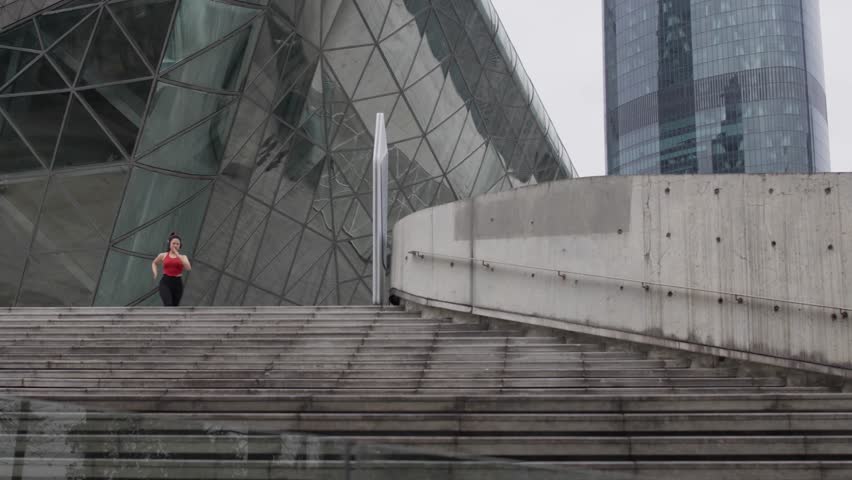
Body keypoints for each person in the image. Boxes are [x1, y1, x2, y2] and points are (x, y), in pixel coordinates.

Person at [152, 232, 191, 306]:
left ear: (180, 246)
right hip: (166, 282)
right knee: (168, 304)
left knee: (174, 307)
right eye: (173, 243)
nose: (175, 245)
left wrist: (177, 255)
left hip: (177, 283)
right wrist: (155, 272)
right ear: (170, 244)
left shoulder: (183, 257)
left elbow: (188, 268)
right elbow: (154, 263)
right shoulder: (163, 255)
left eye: (177, 244)